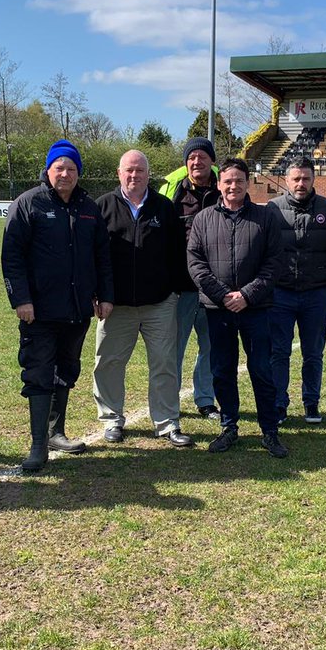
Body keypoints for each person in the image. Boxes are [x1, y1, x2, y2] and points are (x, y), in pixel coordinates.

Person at [2, 139, 114, 473]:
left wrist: (104, 295)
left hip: (77, 310)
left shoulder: (89, 208)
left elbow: (101, 257)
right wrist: (21, 299)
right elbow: (12, 257)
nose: (65, 174)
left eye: (71, 168)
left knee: (67, 369)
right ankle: (38, 445)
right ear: (48, 170)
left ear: (79, 173)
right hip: (38, 311)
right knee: (39, 373)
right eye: (59, 167)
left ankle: (56, 432)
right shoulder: (28, 204)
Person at [186, 158, 287, 458]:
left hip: (256, 309)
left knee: (261, 370)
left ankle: (270, 431)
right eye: (227, 181)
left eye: (239, 181)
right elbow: (196, 263)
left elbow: (274, 263)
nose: (233, 186)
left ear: (247, 184)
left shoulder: (265, 217)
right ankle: (229, 426)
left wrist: (246, 295)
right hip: (218, 310)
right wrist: (222, 296)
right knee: (222, 369)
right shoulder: (203, 219)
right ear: (219, 184)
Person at [93, 150, 193, 447]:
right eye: (129, 170)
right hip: (115, 305)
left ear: (149, 174)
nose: (134, 175)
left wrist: (173, 291)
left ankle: (166, 423)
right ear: (118, 173)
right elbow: (93, 257)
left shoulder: (164, 207)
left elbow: (178, 254)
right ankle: (111, 419)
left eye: (140, 170)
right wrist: (99, 294)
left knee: (164, 364)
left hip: (159, 304)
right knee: (108, 363)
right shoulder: (102, 207)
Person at [267, 157, 326, 425]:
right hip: (281, 294)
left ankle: (311, 403)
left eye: (306, 178)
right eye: (296, 178)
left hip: (316, 294)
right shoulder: (272, 209)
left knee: (313, 353)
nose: (301, 183)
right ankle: (279, 405)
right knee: (279, 352)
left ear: (313, 180)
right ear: (286, 180)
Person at [159, 137, 220, 421]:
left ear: (212, 161)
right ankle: (170, 401)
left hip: (213, 288)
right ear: (186, 162)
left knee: (210, 348)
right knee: (174, 349)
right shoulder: (172, 193)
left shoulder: (225, 190)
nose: (197, 162)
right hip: (180, 288)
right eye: (192, 157)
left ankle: (206, 400)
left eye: (203, 157)